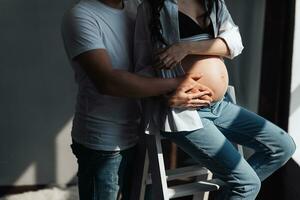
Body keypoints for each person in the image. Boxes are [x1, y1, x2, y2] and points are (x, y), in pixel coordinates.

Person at [134, 0, 296, 199]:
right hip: (185, 112)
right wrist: (165, 94)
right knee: (246, 185)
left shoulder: (213, 3)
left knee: (282, 146)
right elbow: (141, 66)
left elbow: (234, 43)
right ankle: (239, 185)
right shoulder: (151, 8)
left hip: (220, 106)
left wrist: (186, 48)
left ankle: (233, 188)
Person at [61, 0, 213, 199]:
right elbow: (108, 82)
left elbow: (152, 61)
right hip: (104, 142)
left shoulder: (137, 7)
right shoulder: (81, 15)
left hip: (144, 131)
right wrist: (178, 82)